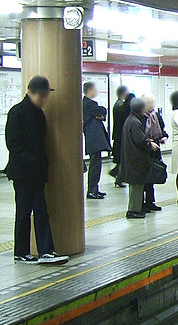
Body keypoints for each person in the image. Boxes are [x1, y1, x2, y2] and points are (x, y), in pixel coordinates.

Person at [4, 76, 69, 264]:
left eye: (45, 96)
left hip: (37, 172)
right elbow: (13, 144)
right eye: (40, 96)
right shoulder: (16, 112)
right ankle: (21, 252)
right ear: (29, 93)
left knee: (41, 210)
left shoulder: (39, 114)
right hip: (23, 173)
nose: (43, 100)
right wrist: (32, 161)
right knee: (24, 211)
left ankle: (46, 251)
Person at [119, 98, 159, 219]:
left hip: (131, 157)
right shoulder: (135, 122)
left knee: (136, 186)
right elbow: (140, 140)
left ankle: (136, 208)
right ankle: (133, 210)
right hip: (135, 158)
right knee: (136, 186)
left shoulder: (130, 120)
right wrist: (150, 144)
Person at [82, 82, 111, 200]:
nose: (97, 91)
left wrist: (100, 115)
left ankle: (95, 189)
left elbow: (101, 114)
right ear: (90, 90)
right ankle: (92, 190)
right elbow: (102, 110)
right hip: (93, 138)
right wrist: (101, 114)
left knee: (96, 164)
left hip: (93, 138)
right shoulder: (88, 104)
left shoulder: (88, 104)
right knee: (95, 165)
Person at [142, 93, 167, 212]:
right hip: (144, 151)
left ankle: (150, 202)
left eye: (153, 102)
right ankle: (142, 203)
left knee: (152, 177)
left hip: (155, 150)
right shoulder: (141, 116)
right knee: (144, 178)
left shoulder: (156, 115)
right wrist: (148, 141)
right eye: (149, 103)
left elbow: (162, 130)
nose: (152, 105)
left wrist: (163, 137)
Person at [111, 86, 134, 188]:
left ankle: (119, 177)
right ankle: (118, 176)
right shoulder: (120, 106)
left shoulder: (118, 105)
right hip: (121, 136)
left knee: (121, 158)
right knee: (122, 158)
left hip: (118, 135)